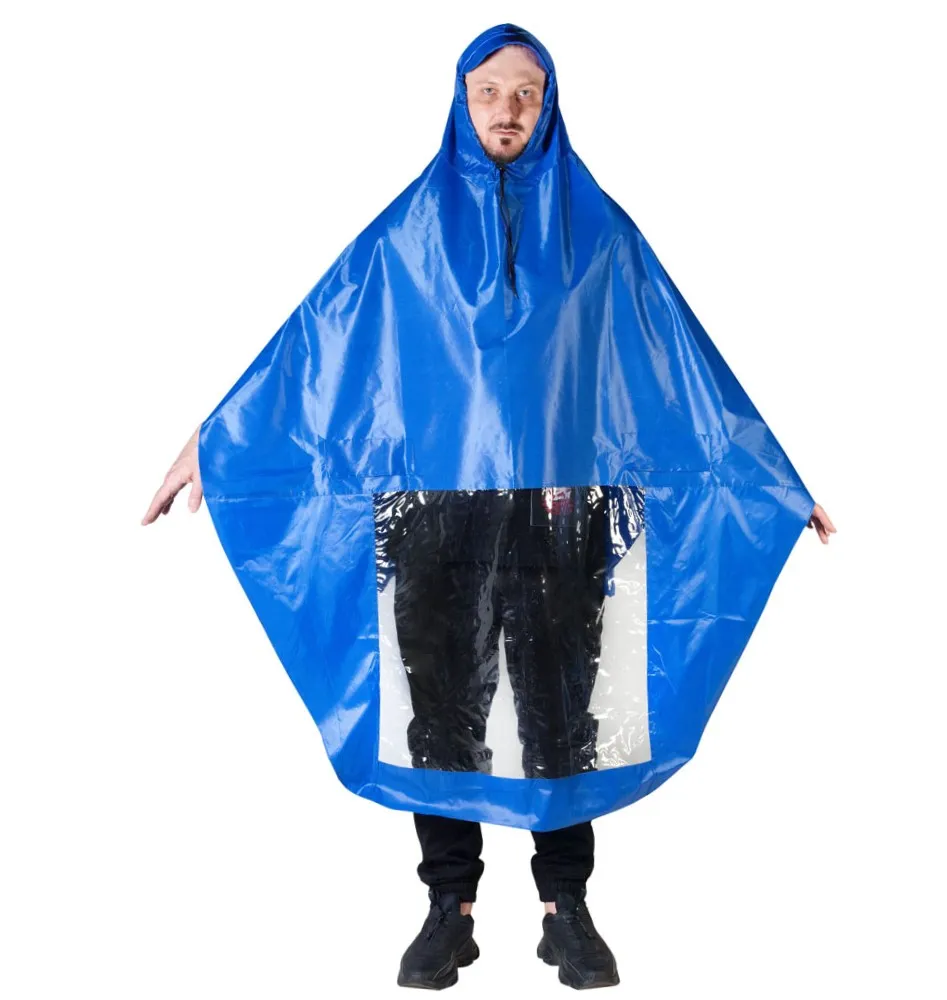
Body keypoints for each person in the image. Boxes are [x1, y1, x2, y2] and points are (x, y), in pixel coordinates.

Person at [142, 27, 836, 992]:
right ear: (460, 101)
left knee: (563, 711)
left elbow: (679, 361)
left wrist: (770, 480)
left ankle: (566, 910)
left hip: (564, 515)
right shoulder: (406, 236)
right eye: (488, 91)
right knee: (439, 710)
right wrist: (215, 443)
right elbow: (316, 347)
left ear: (549, 105)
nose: (507, 109)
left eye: (526, 92)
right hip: (436, 518)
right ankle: (450, 909)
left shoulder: (601, 239)